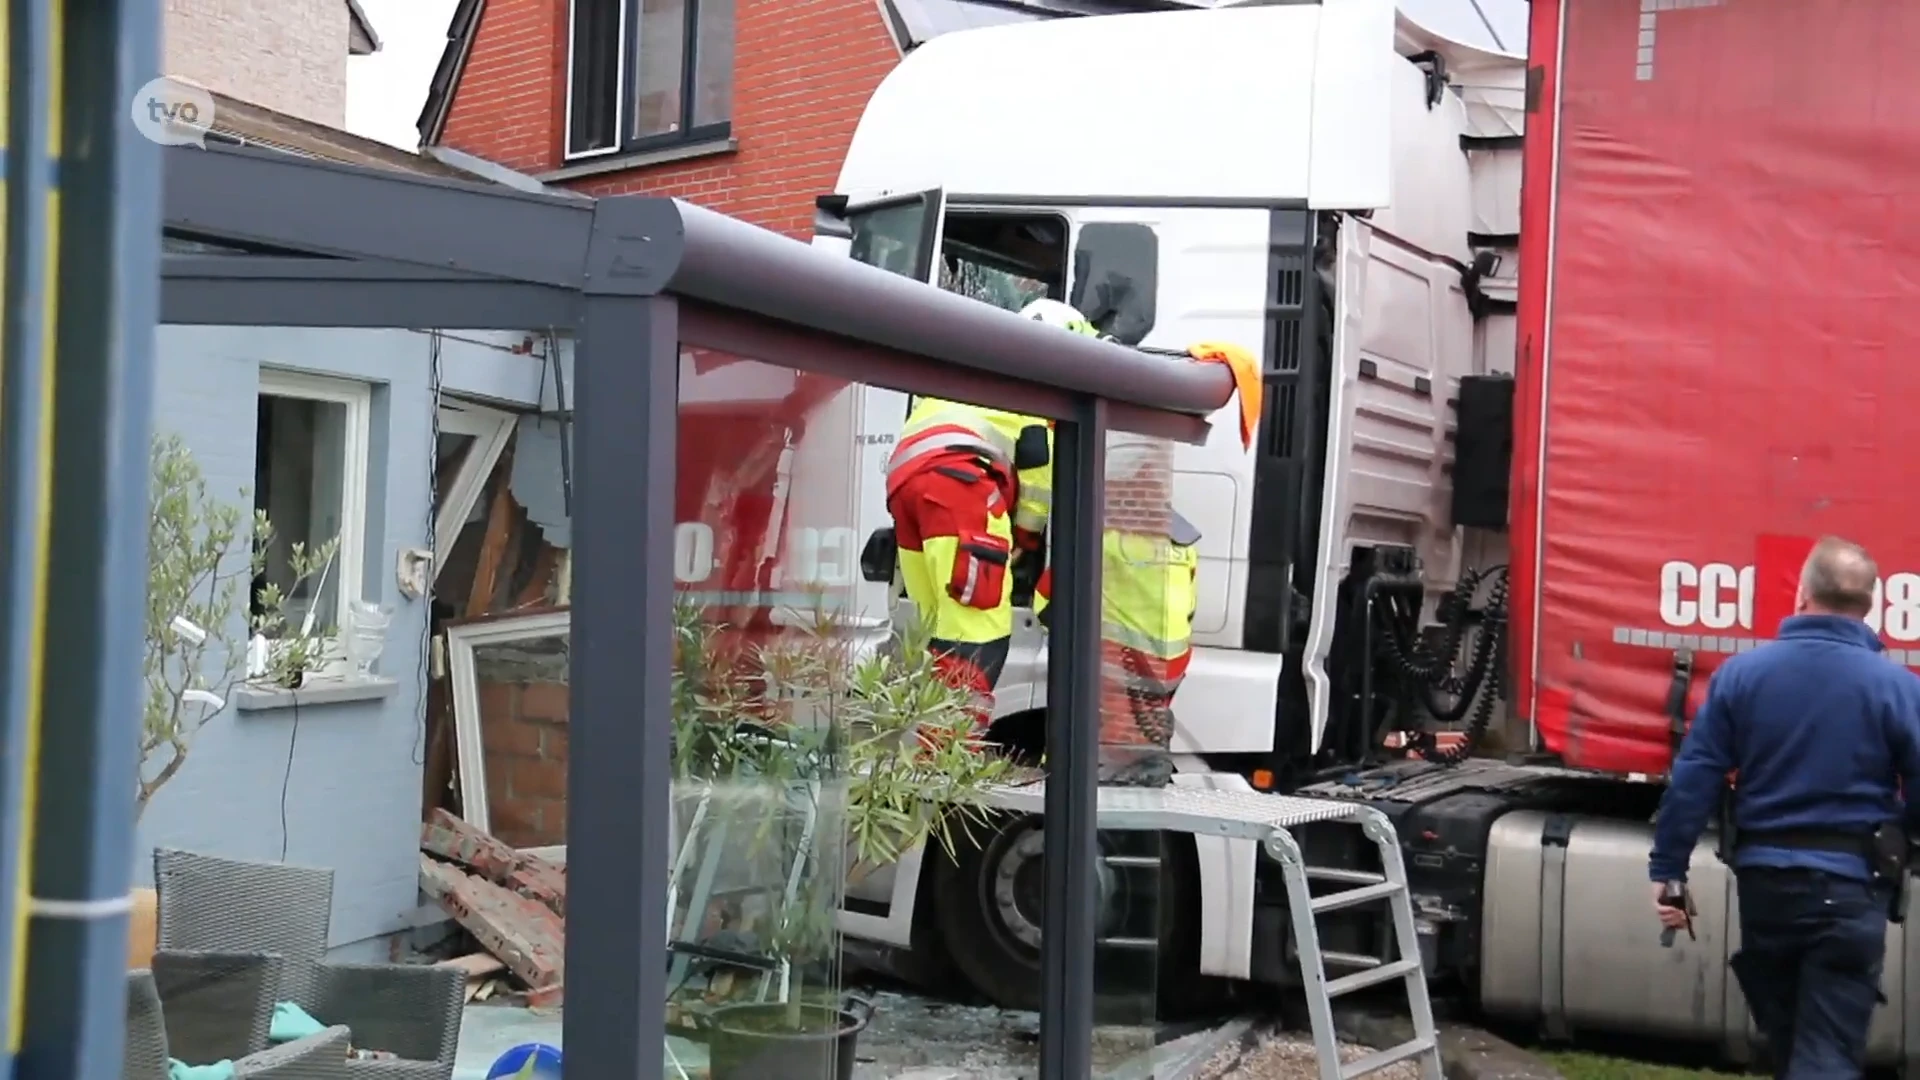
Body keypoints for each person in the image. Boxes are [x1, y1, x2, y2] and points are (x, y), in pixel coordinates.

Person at [1648, 535, 1920, 1078]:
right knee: (1825, 1054)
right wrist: (1901, 838)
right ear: (1870, 605)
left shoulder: (1740, 676)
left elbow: (1695, 778)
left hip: (1766, 887)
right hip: (1852, 888)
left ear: (1801, 596)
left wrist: (1669, 871)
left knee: (1790, 1045)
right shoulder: (1898, 687)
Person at [883, 299, 1094, 728]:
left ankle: (928, 752)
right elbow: (1037, 473)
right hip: (961, 487)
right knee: (978, 631)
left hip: (906, 485)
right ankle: (949, 754)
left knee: (936, 626)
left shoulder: (978, 370)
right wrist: (1027, 539)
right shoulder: (1035, 386)